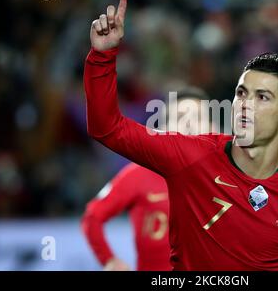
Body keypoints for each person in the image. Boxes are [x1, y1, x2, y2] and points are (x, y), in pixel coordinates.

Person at [84, 0, 278, 270]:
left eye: (262, 97)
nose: (246, 105)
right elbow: (107, 128)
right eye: (241, 93)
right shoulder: (189, 157)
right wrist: (103, 56)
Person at [81, 87, 212, 271]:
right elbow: (92, 218)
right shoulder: (139, 174)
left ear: (212, 127)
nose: (189, 124)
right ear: (164, 128)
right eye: (181, 117)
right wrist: (109, 260)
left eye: (198, 117)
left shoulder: (228, 176)